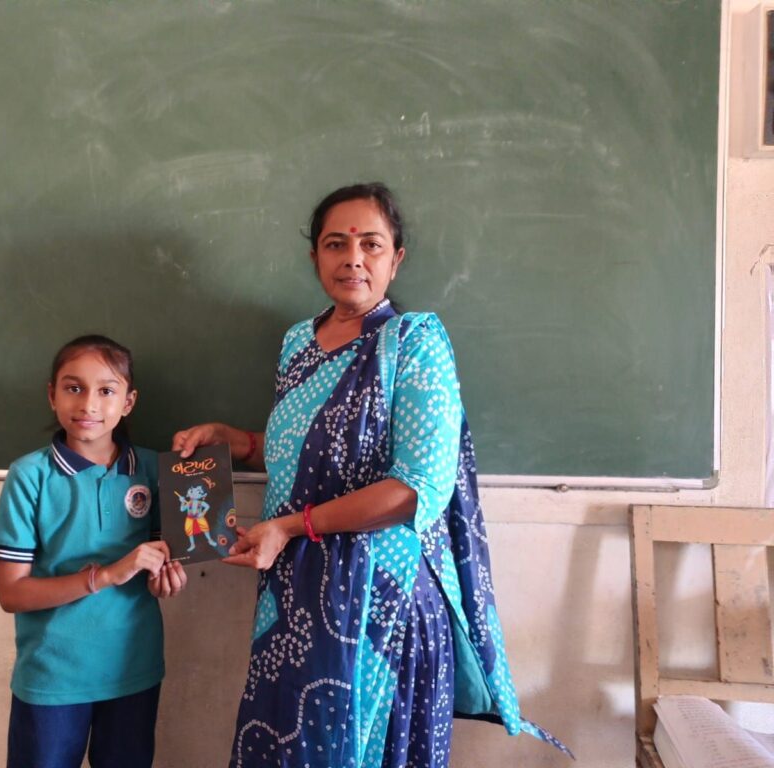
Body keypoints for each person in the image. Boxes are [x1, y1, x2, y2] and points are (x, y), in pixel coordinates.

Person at [173, 183, 570, 767]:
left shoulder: (415, 343)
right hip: (295, 593)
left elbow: (417, 489)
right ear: (315, 256)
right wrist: (236, 442)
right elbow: (306, 453)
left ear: (395, 258)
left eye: (371, 244)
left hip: (381, 599)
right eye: (336, 244)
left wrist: (291, 526)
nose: (352, 258)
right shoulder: (297, 343)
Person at [0, 334, 187, 768]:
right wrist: (106, 575)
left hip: (132, 668)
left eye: (106, 390)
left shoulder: (156, 470)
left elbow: (161, 566)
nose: (88, 404)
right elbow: (12, 594)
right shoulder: (30, 476)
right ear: (52, 395)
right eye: (74, 388)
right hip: (53, 674)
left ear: (129, 402)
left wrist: (165, 581)